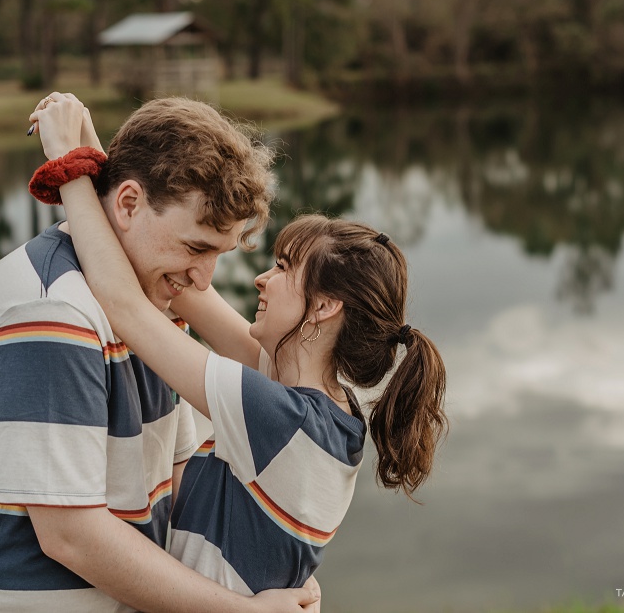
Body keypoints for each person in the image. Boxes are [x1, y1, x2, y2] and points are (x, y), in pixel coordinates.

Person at [0, 94, 321, 612]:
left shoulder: (148, 307)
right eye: (195, 247)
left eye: (218, 253)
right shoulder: (52, 313)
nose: (203, 280)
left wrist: (273, 568)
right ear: (128, 204)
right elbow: (72, 536)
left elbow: (176, 471)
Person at [31, 95, 448, 597]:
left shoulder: (280, 418)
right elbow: (184, 288)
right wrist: (111, 169)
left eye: (285, 270)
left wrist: (67, 165)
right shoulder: (323, 409)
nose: (261, 280)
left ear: (323, 308)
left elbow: (126, 305)